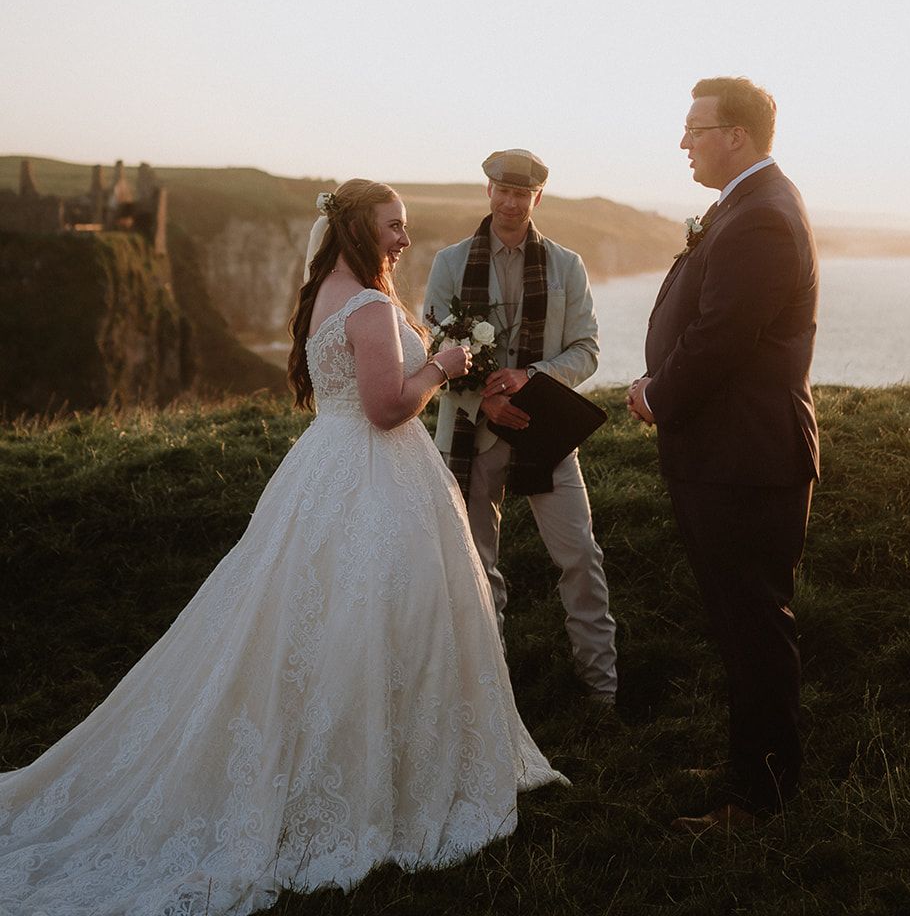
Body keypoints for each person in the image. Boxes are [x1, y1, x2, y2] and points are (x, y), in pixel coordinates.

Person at [0, 179, 564, 916]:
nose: (403, 238)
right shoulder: (364, 304)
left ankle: (351, 752)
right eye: (393, 227)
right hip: (368, 471)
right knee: (378, 614)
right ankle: (369, 780)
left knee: (315, 616)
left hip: (327, 468)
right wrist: (441, 368)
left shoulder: (329, 289)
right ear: (359, 230)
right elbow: (387, 408)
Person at [627, 79, 819, 828]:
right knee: (737, 624)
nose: (683, 142)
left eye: (693, 129)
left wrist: (656, 394)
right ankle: (752, 760)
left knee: (754, 626)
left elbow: (720, 339)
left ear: (735, 135)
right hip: (724, 454)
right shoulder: (747, 204)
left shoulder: (762, 217)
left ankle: (759, 795)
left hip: (745, 459)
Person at [424, 148, 618, 705]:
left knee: (580, 557)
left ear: (538, 197)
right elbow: (434, 349)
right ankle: (493, 701)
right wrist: (485, 401)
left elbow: (587, 350)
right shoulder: (448, 263)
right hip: (470, 435)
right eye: (501, 190)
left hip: (545, 432)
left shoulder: (567, 265)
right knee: (476, 568)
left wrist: (528, 378)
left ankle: (602, 694)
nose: (510, 202)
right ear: (488, 191)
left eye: (522, 193)